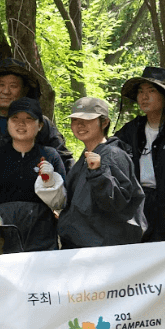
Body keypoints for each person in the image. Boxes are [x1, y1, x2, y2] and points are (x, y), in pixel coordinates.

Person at [44, 96, 147, 248]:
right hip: (81, 246)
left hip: (102, 249)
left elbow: (116, 203)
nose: (80, 125)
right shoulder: (87, 155)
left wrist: (99, 173)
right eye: (75, 120)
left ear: (104, 122)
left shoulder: (113, 155)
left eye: (87, 120)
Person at [0, 97, 66, 251]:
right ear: (7, 122)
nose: (21, 124)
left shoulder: (50, 155)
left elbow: (61, 203)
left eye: (29, 119)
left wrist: (51, 182)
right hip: (2, 226)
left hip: (41, 229)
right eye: (15, 118)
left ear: (40, 125)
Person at [114, 66, 165, 242]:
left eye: (151, 91)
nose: (144, 96)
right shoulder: (131, 129)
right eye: (141, 91)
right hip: (138, 204)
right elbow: (112, 153)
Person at [0, 58, 73, 165]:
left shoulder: (40, 124)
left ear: (25, 90)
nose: (6, 91)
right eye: (1, 85)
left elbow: (64, 160)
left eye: (13, 86)